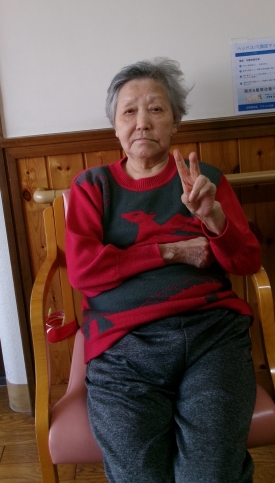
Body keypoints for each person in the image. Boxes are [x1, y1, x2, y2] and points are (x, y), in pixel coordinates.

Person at [65, 58, 262, 483]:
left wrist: (214, 221)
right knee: (138, 475)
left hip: (212, 336)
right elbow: (83, 272)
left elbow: (247, 262)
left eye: (156, 109)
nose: (142, 122)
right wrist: (171, 252)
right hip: (124, 344)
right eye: (129, 111)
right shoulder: (92, 186)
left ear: (175, 121)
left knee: (210, 473)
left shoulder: (205, 180)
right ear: (115, 127)